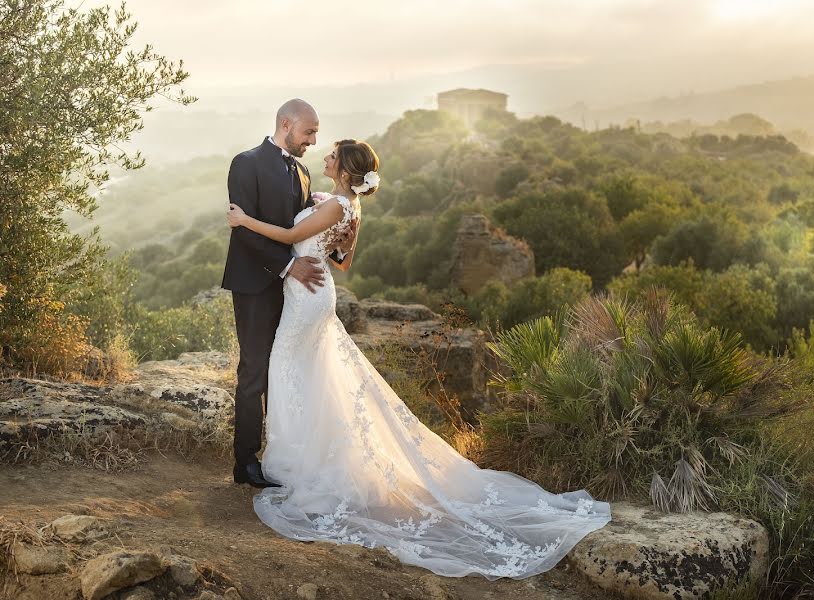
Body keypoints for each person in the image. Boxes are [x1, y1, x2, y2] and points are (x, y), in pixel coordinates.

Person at [226, 139, 611, 580]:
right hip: (311, 293)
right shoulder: (344, 204)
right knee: (306, 376)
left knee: (290, 371)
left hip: (307, 297)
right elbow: (344, 261)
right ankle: (300, 455)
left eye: (332, 154)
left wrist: (244, 220)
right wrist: (335, 243)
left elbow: (294, 238)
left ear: (347, 170)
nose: (324, 155)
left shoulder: (336, 205)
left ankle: (299, 461)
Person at [221, 99, 355, 488]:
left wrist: (339, 243)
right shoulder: (245, 163)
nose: (314, 140)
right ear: (286, 124)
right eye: (309, 132)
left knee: (288, 370)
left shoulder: (302, 170)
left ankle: (286, 454)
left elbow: (306, 232)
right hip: (256, 283)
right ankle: (245, 461)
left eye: (315, 133)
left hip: (297, 293)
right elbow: (242, 229)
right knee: (254, 370)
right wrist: (287, 266)